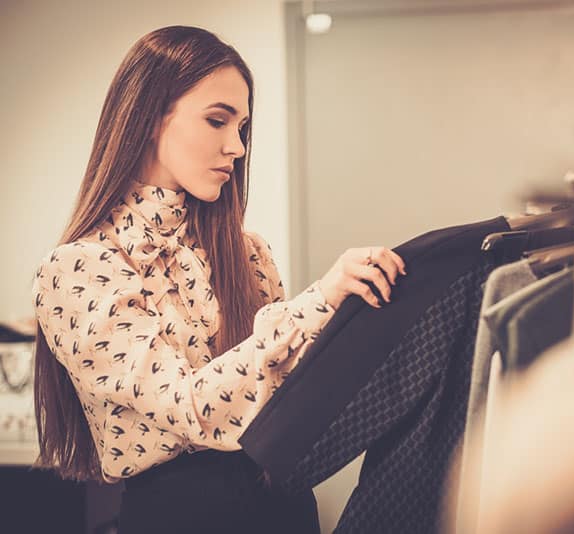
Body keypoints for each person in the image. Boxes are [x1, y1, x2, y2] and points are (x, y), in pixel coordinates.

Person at [30, 25, 405, 534]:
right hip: (180, 517)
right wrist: (320, 299)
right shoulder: (77, 269)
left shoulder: (247, 252)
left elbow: (289, 400)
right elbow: (187, 407)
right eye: (217, 120)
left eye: (242, 128)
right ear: (148, 118)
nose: (237, 147)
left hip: (287, 508)